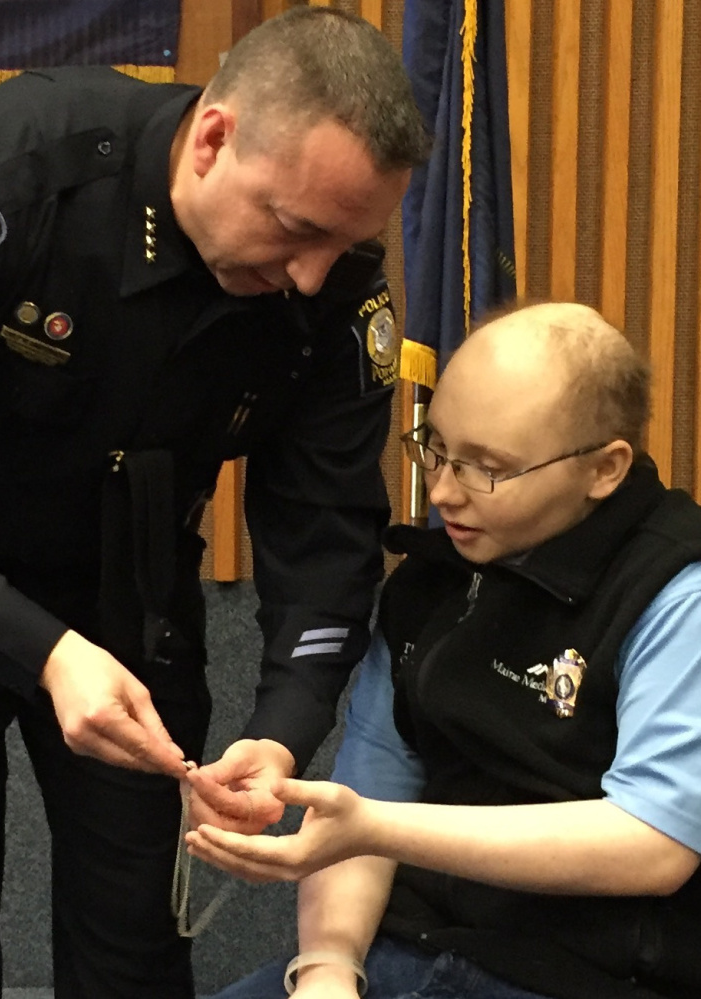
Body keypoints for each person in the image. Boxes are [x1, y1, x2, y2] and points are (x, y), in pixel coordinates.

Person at [0, 8, 430, 999]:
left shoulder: (336, 290)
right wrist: (47, 654)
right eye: (295, 229)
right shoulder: (5, 181)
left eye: (343, 243)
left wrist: (279, 728)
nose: (309, 273)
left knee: (136, 947)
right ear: (216, 137)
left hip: (128, 603)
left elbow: (325, 541)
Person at [187, 303, 701, 999]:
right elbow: (366, 787)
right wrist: (327, 969)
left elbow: (652, 842)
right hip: (414, 946)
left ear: (604, 469)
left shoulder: (675, 592)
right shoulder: (434, 577)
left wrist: (372, 827)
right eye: (435, 449)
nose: (442, 491)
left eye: (486, 468)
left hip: (589, 975)